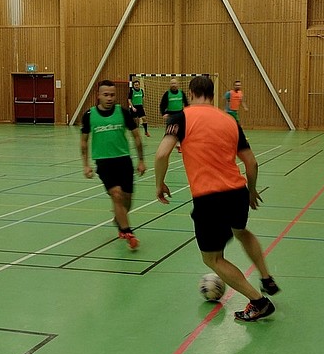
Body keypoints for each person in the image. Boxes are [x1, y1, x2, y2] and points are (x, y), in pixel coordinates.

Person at [154, 75, 280, 322]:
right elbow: (252, 163)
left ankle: (259, 302)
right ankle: (266, 278)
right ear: (212, 95)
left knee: (212, 258)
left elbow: (161, 155)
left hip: (209, 198)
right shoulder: (229, 120)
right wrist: (251, 190)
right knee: (241, 231)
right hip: (237, 192)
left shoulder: (181, 117)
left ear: (191, 94)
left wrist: (159, 184)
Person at [81, 79, 146, 250]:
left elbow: (136, 137)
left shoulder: (123, 112)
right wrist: (86, 165)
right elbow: (84, 141)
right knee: (116, 195)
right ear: (98, 96)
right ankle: (128, 232)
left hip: (124, 160)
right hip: (104, 163)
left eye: (112, 95)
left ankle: (119, 218)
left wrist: (141, 160)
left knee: (127, 199)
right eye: (106, 95)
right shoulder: (89, 115)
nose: (109, 98)